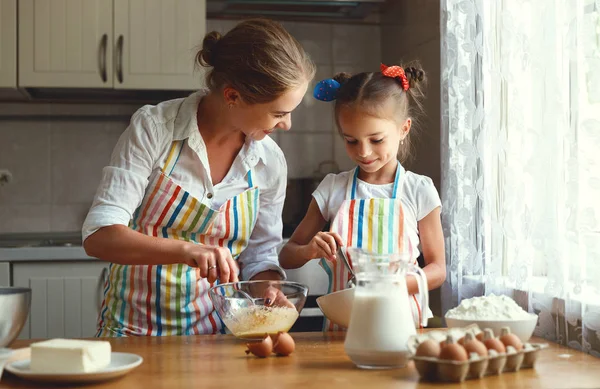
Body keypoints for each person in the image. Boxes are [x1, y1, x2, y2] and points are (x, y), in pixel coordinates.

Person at [82, 18, 316, 337]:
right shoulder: (154, 130)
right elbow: (99, 236)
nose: (287, 125)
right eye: (278, 113)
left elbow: (260, 255)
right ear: (233, 96)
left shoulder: (269, 162)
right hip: (133, 334)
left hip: (217, 339)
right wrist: (187, 250)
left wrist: (269, 289)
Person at [279, 63, 446, 330]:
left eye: (376, 140)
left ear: (404, 129)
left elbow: (437, 270)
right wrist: (310, 249)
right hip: (343, 330)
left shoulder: (419, 190)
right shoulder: (333, 188)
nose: (364, 152)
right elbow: (287, 255)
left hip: (403, 326)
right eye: (351, 140)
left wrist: (390, 287)